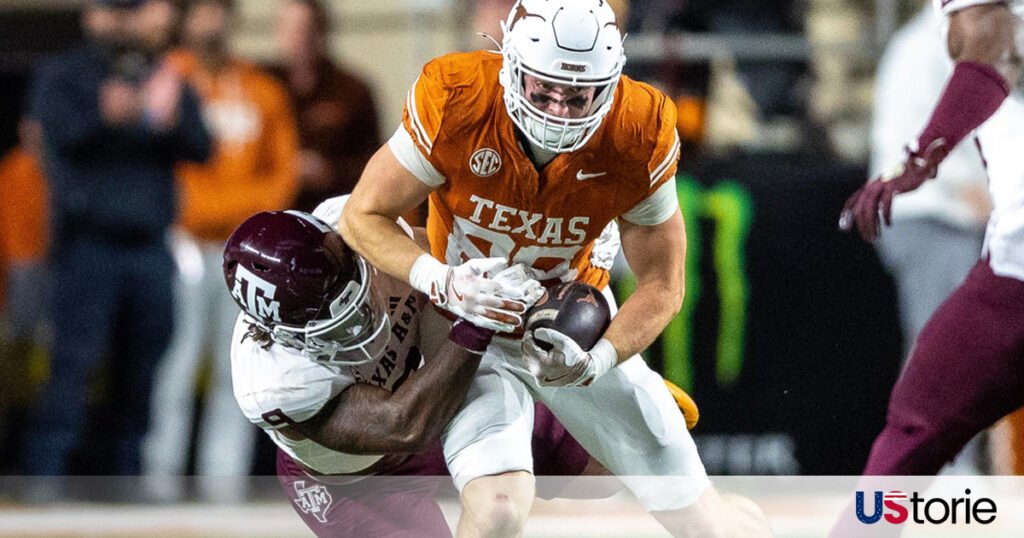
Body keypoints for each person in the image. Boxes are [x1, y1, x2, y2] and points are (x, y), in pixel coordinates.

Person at [340, 0, 771, 535]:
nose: (558, 111)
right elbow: (363, 215)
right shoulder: (458, 99)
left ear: (611, 83)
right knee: (498, 511)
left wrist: (601, 358)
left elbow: (663, 284)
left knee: (701, 521)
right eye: (544, 90)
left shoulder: (638, 128)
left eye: (577, 96)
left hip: (574, 329)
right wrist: (442, 279)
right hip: (467, 329)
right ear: (510, 68)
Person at [224, 203, 596, 537]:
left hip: (436, 388)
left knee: (605, 459)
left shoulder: (353, 227)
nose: (361, 319)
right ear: (280, 333)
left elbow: (437, 251)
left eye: (356, 291)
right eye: (335, 324)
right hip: (359, 483)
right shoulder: (274, 381)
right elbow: (403, 426)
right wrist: (477, 320)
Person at [20, 0, 211, 488]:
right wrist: (104, 114)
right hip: (88, 244)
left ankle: (124, 481)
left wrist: (169, 118)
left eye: (131, 9)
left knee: (142, 369)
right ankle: (47, 478)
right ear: (91, 15)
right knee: (73, 368)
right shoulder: (66, 74)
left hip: (149, 245)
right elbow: (49, 133)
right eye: (112, 9)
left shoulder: (161, 73)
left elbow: (201, 145)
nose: (122, 21)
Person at [839, 0, 1024, 476]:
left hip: (966, 228)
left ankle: (950, 482)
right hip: (935, 219)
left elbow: (988, 41)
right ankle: (953, 479)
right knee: (935, 376)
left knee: (927, 405)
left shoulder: (951, 33)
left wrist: (922, 163)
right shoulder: (918, 47)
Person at [142, 0, 299, 503]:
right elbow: (149, 159)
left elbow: (283, 171)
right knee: (175, 365)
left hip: (243, 249)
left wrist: (244, 215)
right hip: (181, 241)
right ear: (185, 20)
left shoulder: (261, 88)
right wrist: (189, 209)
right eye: (203, 11)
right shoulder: (166, 78)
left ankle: (222, 486)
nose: (213, 22)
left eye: (221, 11)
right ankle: (158, 481)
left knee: (240, 372)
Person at [870, 3, 992, 475]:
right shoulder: (925, 49)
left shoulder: (963, 46)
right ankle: (937, 472)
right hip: (928, 219)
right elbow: (910, 148)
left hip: (949, 219)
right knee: (942, 350)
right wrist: (965, 191)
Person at [267, 0, 381, 213]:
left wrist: (329, 172)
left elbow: (374, 162)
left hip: (334, 212)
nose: (295, 38)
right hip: (272, 209)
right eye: (286, 27)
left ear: (321, 31)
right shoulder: (262, 85)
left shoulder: (352, 90)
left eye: (303, 28)